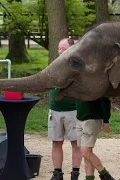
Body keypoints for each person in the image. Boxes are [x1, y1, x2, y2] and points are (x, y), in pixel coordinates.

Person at [48, 38, 82, 180]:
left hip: (72, 110)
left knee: (75, 143)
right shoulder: (55, 65)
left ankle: (75, 173)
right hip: (55, 109)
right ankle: (57, 173)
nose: (59, 51)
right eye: (59, 48)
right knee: (56, 142)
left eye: (62, 48)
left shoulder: (77, 67)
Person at [76, 98, 115, 180]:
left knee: (85, 152)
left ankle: (106, 175)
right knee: (86, 153)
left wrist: (106, 120)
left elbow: (105, 100)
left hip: (92, 119)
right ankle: (89, 178)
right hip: (79, 118)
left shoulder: (96, 85)